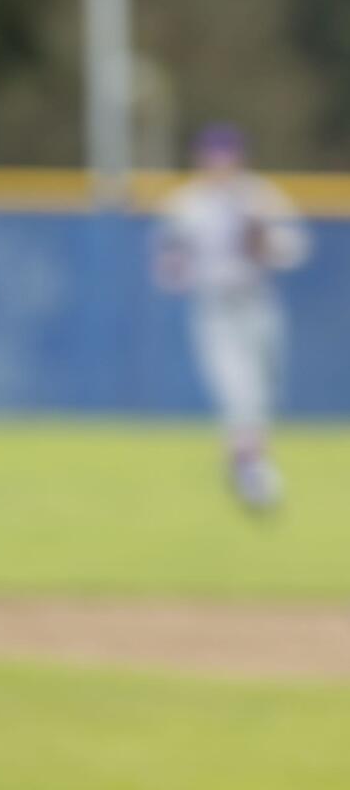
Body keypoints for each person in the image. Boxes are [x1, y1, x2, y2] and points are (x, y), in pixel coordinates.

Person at [153, 124, 307, 510]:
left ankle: (247, 459)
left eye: (227, 154)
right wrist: (180, 266)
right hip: (215, 308)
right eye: (213, 155)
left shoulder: (258, 196)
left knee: (266, 388)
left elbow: (295, 248)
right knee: (240, 391)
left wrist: (265, 243)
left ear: (240, 157)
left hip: (258, 302)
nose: (220, 163)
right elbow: (168, 268)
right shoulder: (187, 203)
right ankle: (252, 472)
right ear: (201, 158)